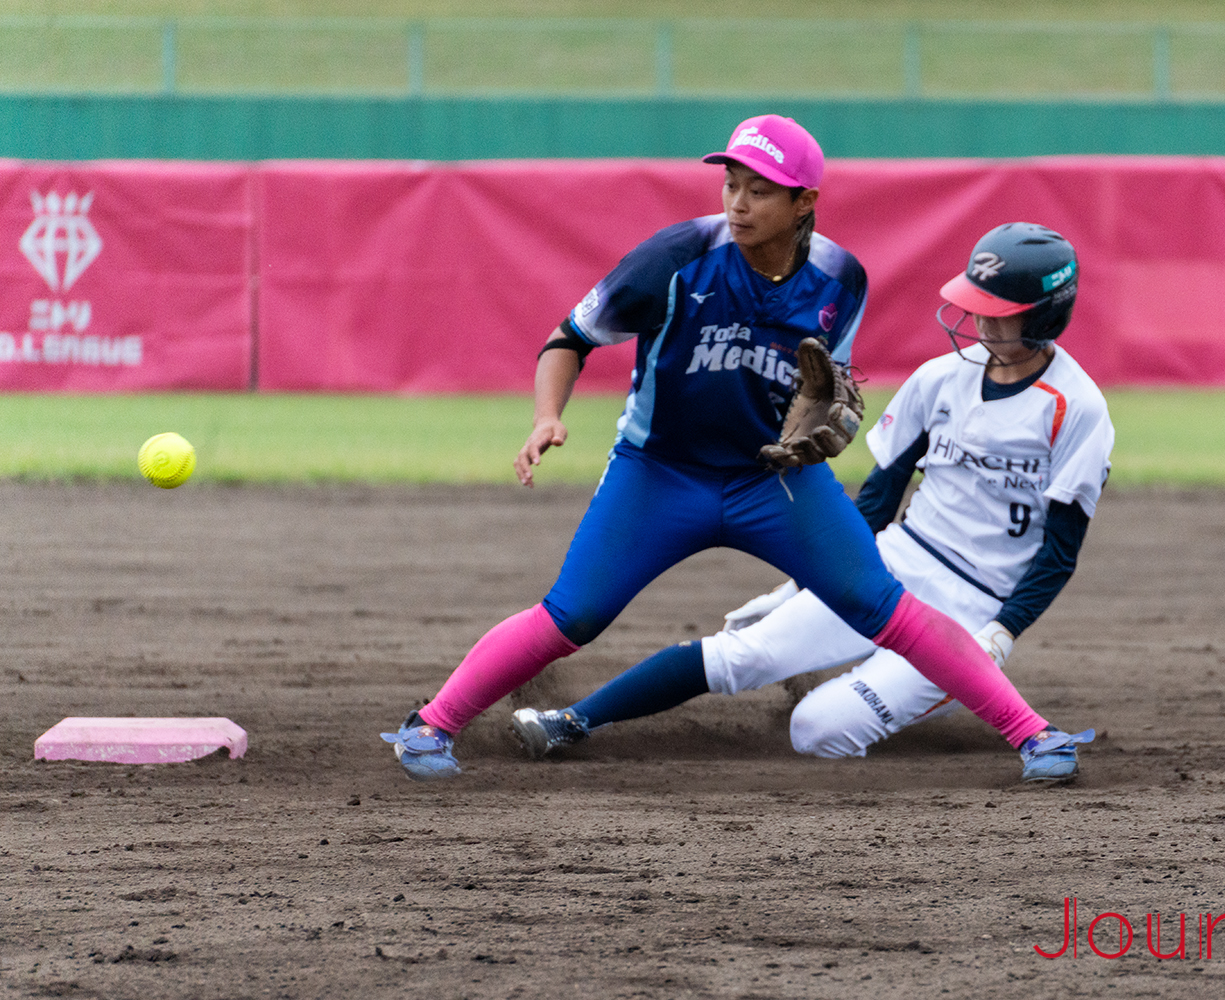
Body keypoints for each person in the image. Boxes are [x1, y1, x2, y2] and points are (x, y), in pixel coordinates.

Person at [382, 115, 1089, 784]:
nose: (739, 202)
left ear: (803, 200)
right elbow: (569, 338)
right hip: (659, 475)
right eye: (730, 184)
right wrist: (547, 417)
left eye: (759, 189)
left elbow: (822, 379)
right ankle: (430, 726)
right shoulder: (676, 259)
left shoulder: (842, 279)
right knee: (574, 615)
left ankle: (1034, 735)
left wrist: (814, 418)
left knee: (886, 608)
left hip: (771, 481)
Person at [511, 223, 1111, 777]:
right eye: (976, 305)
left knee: (818, 729)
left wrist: (1000, 634)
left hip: (975, 605)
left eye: (999, 312)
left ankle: (945, 708)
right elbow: (879, 497)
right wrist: (807, 577)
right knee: (739, 654)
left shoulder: (1076, 409)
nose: (980, 322)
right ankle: (570, 722)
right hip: (895, 565)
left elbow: (1058, 553)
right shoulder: (940, 378)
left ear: (1045, 315)